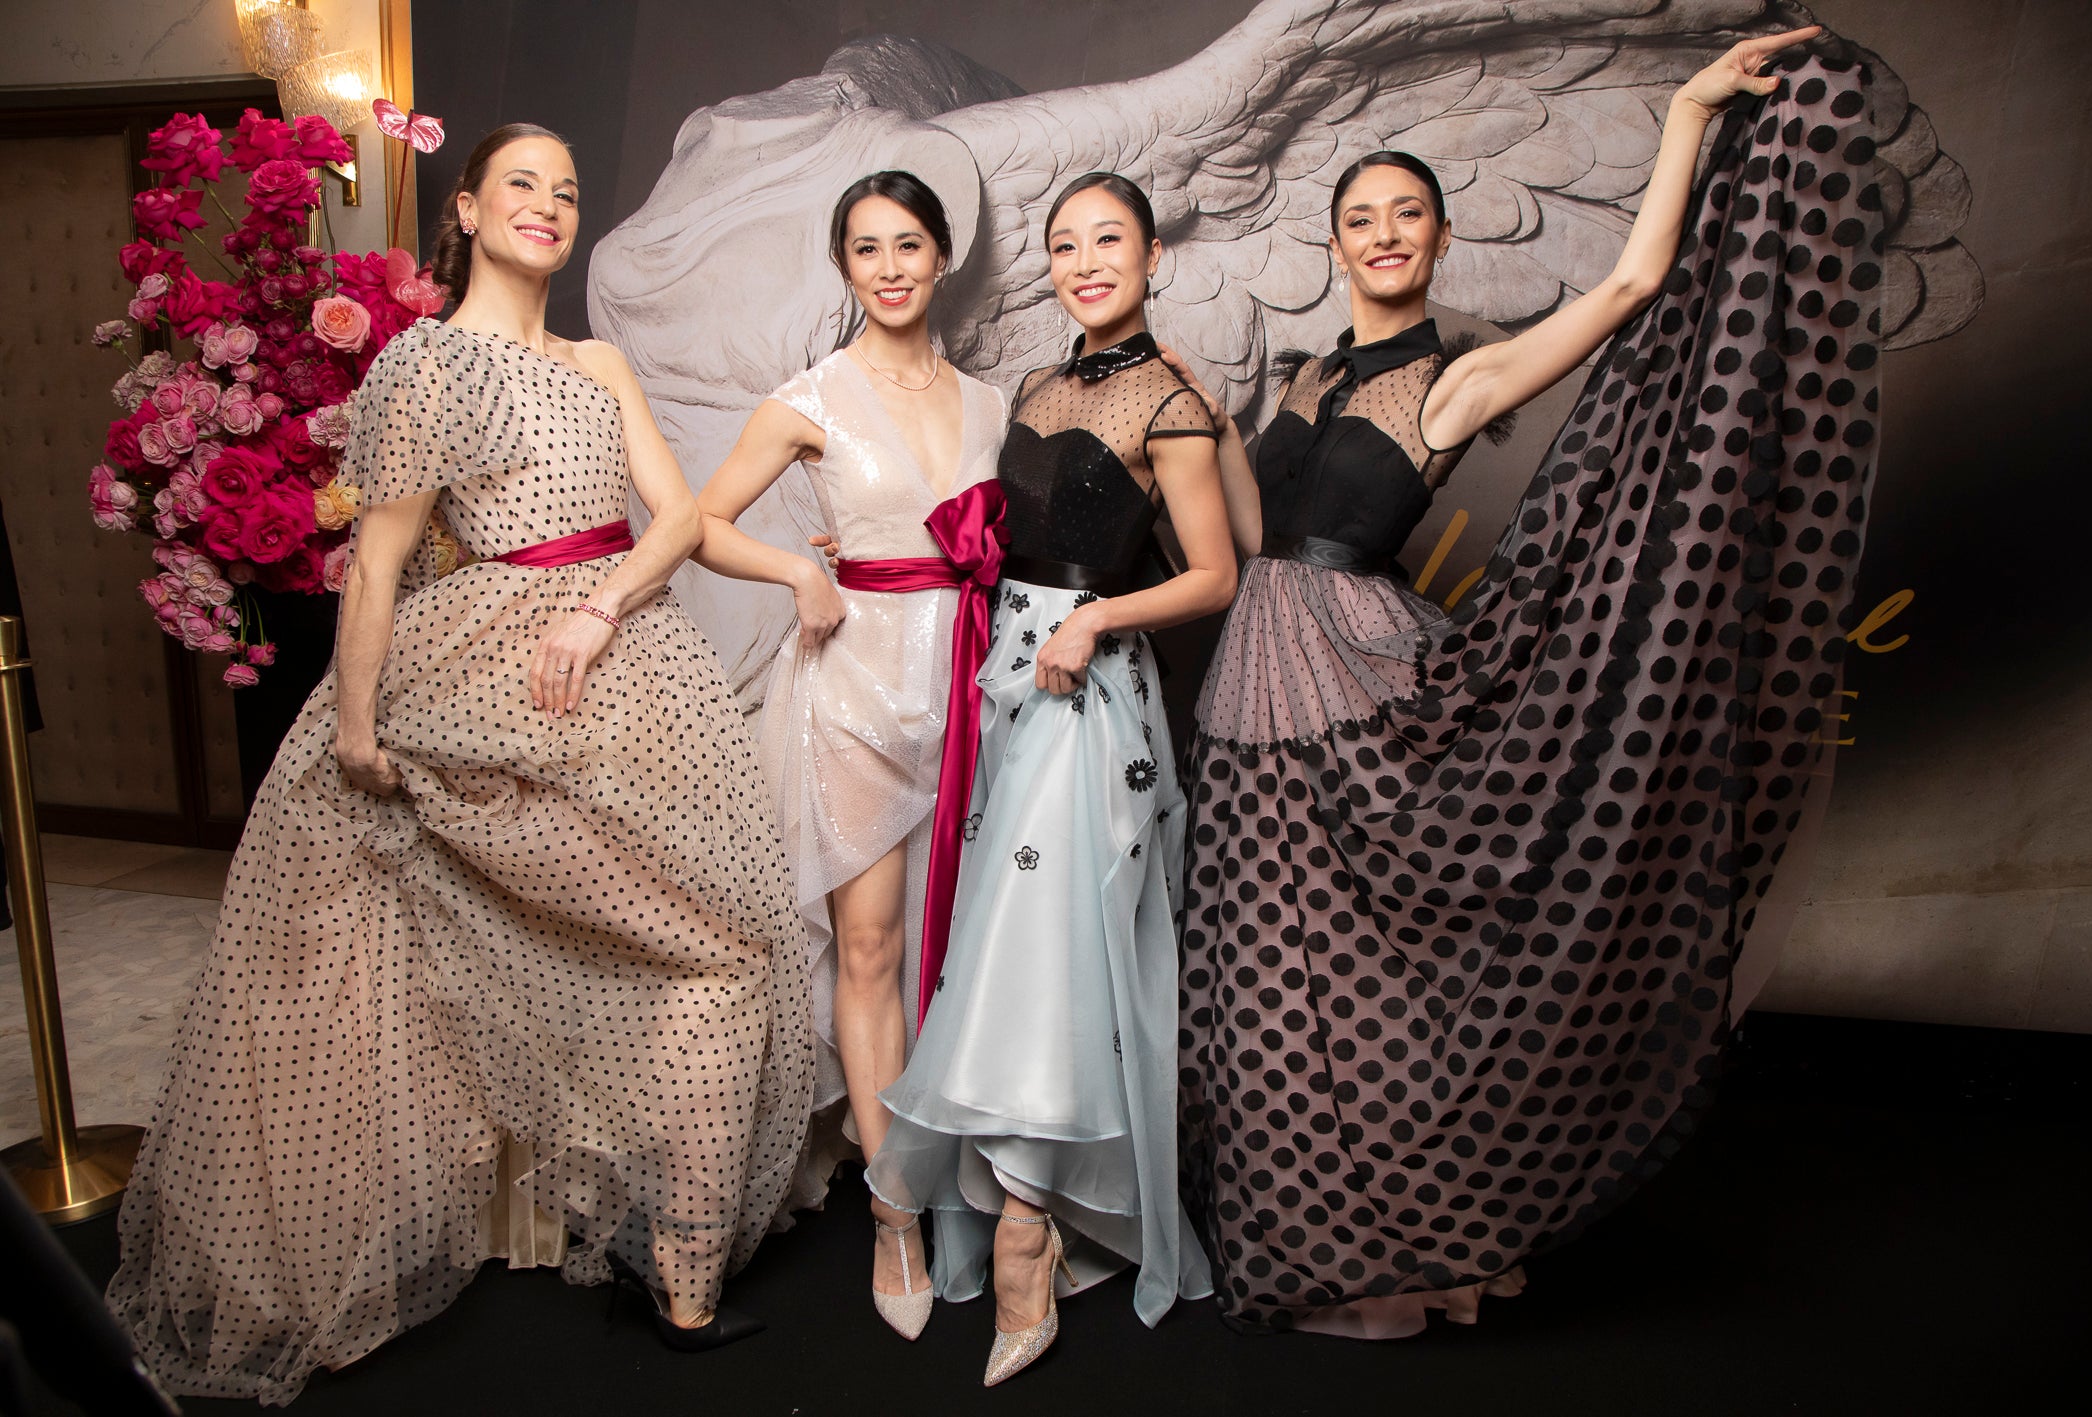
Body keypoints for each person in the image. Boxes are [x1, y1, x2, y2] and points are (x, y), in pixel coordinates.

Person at [105, 124, 813, 1403]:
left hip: (618, 673)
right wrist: (356, 730)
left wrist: (603, 606)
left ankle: (682, 1267)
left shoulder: (601, 361)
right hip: (481, 680)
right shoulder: (425, 361)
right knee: (385, 975)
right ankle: (642, 1270)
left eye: (568, 189)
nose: (549, 204)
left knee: (714, 952)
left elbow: (676, 518)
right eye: (521, 185)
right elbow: (376, 563)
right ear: (470, 210)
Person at [1170, 27, 1835, 1337]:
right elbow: (1253, 533)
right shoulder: (1306, 373)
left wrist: (1689, 114)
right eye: (1359, 219)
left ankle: (1402, 1247)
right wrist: (1195, 417)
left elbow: (1631, 284)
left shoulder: (1457, 375)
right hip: (1247, 688)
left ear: (1437, 238)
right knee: (1260, 986)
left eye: (1404, 215)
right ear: (1335, 245)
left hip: (1356, 696)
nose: (1382, 235)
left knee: (1363, 988)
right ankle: (1310, 1236)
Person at [865, 172, 1235, 1385]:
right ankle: (1008, 1208)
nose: (1085, 262)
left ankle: (1025, 1232)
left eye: (1108, 240)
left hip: (1087, 693)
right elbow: (1005, 539)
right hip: (1007, 680)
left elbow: (1214, 575)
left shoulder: (1172, 402)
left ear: (1152, 256)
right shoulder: (1033, 386)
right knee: (1001, 945)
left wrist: (1096, 619)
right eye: (1064, 244)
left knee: (1045, 946)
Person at [690, 170, 1009, 1341]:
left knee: (964, 949)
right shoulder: (807, 398)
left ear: (940, 257)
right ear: (843, 266)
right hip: (855, 694)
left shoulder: (992, 405)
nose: (888, 267)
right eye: (865, 248)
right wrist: (798, 569)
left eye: (907, 243)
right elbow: (700, 522)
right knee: (868, 948)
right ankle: (892, 1212)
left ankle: (973, 1175)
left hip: (970, 689)